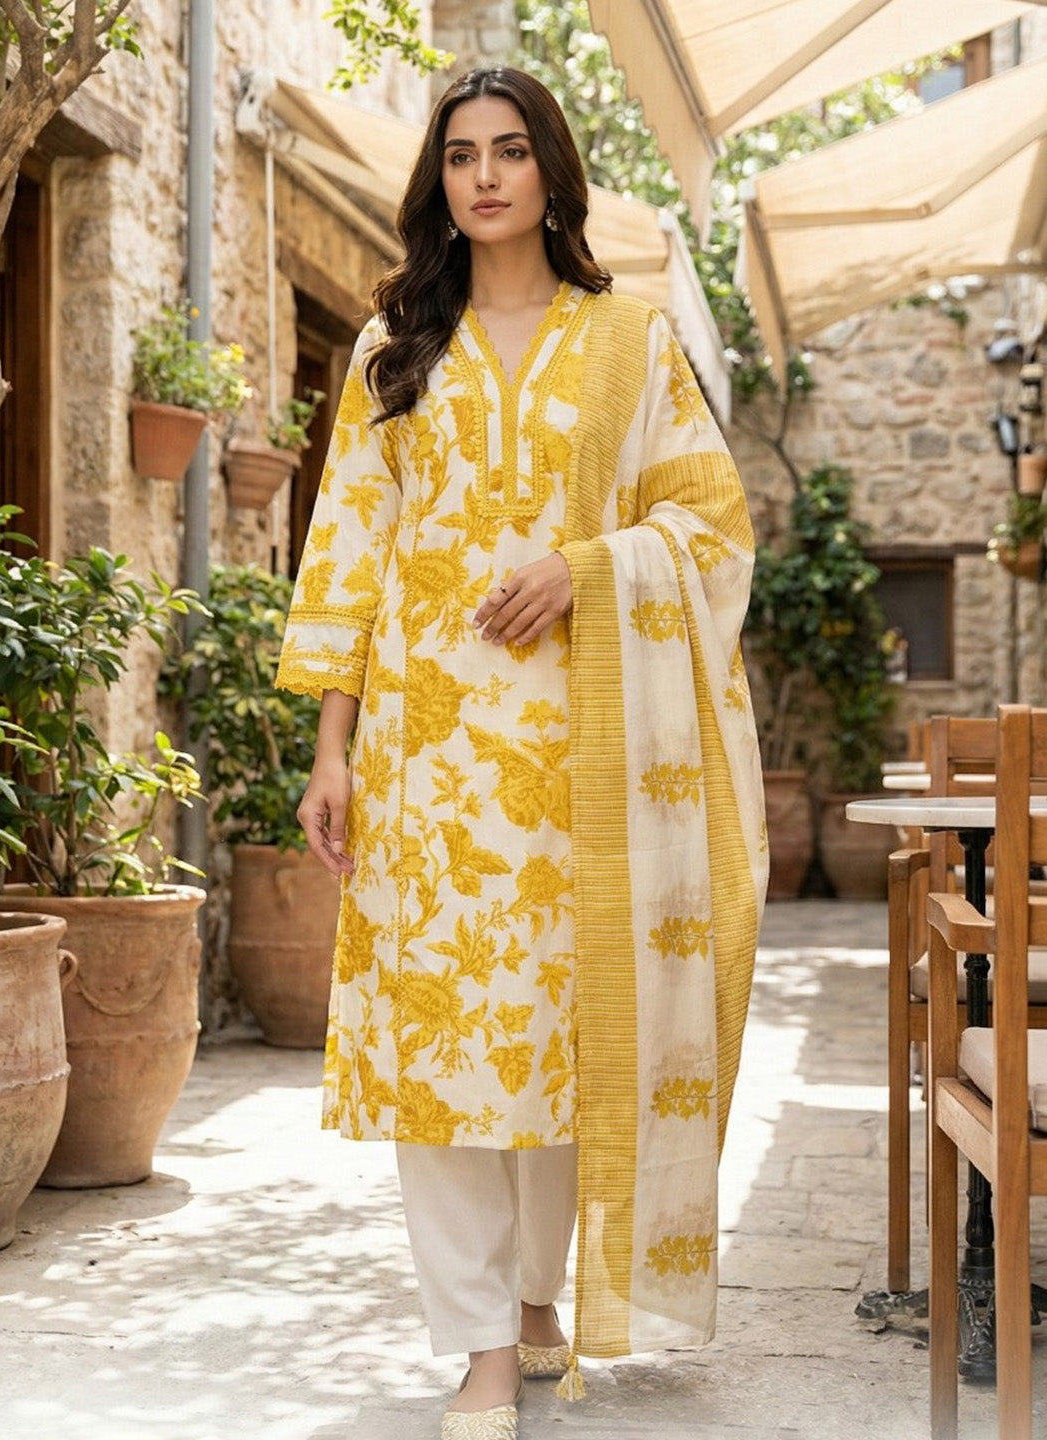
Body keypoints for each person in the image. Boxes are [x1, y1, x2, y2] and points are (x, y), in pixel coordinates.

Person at [275, 65, 767, 1440]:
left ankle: (540, 1299)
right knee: (444, 1058)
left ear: (551, 170)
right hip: (426, 752)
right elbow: (348, 548)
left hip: (579, 754)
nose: (484, 176)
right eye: (460, 155)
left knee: (563, 1042)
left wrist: (586, 566)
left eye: (508, 150)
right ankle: (482, 1347)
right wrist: (333, 749)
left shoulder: (628, 341)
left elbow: (712, 526)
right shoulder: (394, 343)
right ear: (437, 181)